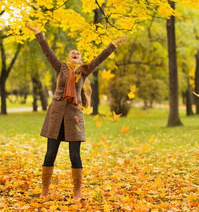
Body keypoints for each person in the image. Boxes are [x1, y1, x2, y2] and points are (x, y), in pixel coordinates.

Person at [25, 23, 126, 200]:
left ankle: (77, 191)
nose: (76, 53)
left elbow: (99, 58)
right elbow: (47, 51)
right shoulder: (60, 68)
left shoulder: (83, 71)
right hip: (56, 114)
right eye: (73, 52)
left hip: (74, 117)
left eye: (78, 54)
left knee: (74, 155)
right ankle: (45, 189)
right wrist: (38, 32)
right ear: (69, 57)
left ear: (80, 61)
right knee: (50, 154)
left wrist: (113, 45)